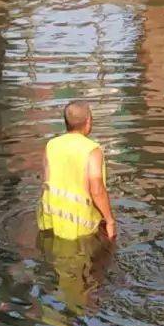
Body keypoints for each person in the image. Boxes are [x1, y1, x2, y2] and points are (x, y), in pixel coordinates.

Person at [37, 101, 116, 241]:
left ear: (66, 122)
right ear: (89, 121)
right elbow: (96, 190)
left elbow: (45, 180)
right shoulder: (92, 149)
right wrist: (109, 220)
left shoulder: (51, 145)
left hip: (51, 218)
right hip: (79, 223)